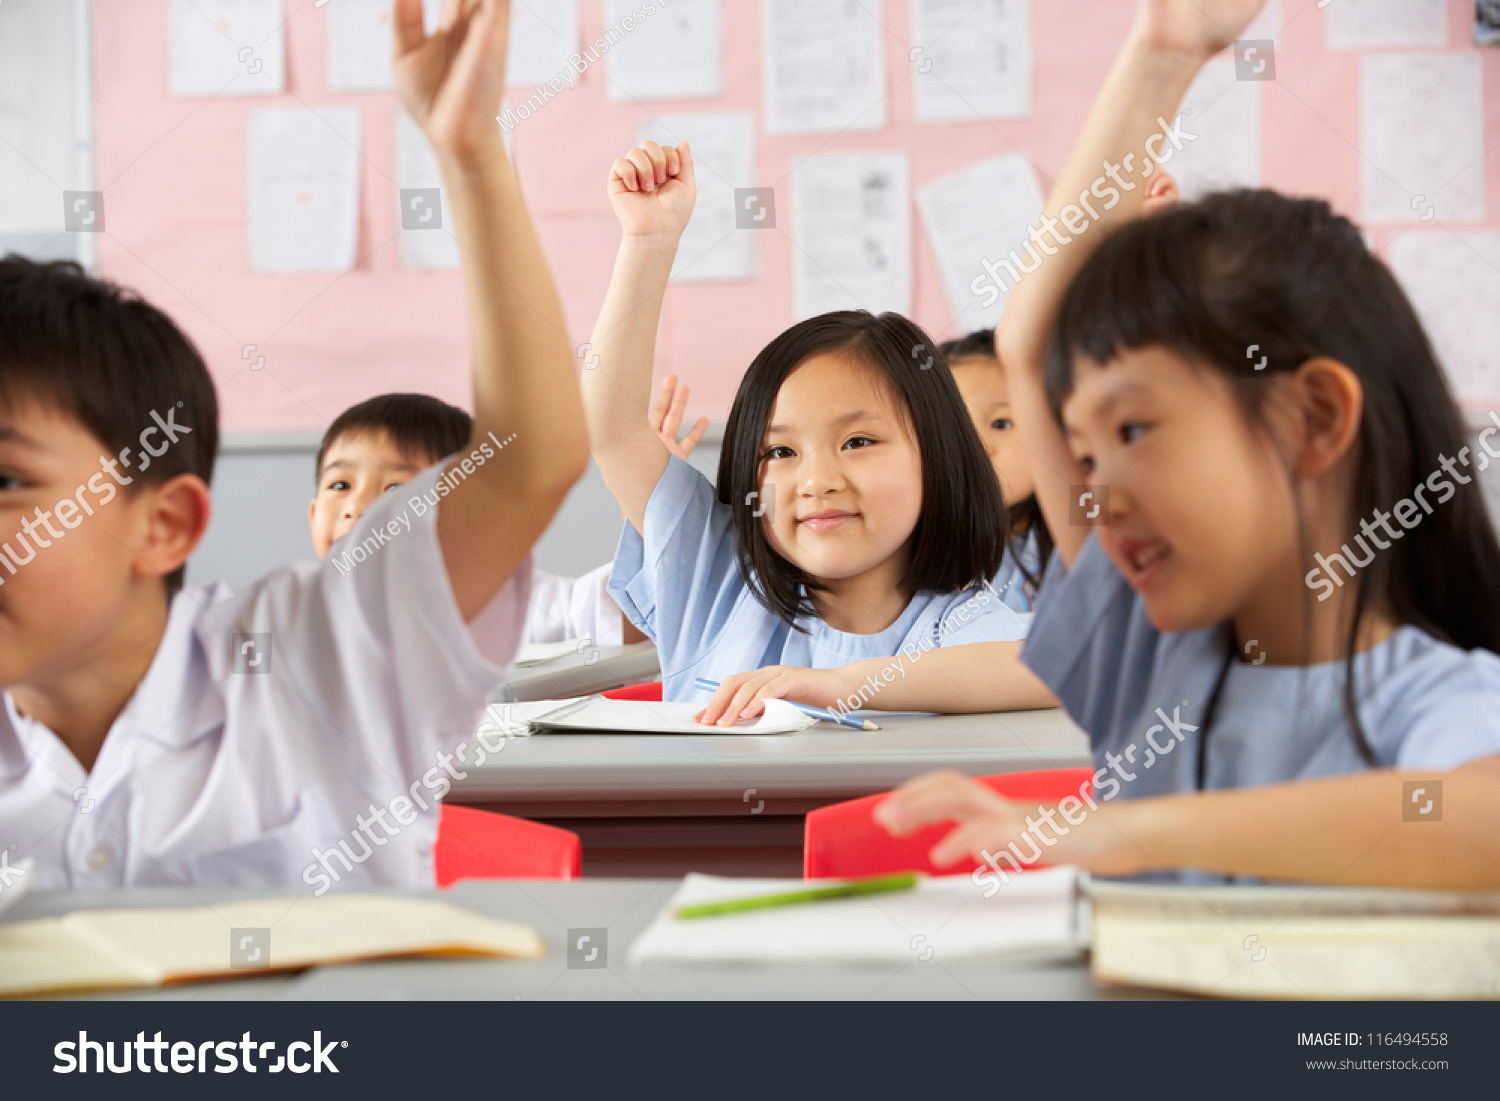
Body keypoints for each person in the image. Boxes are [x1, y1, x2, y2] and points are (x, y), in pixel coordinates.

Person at [877, 0, 1500, 888]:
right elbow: (1030, 344)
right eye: (1085, 455)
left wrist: (1135, 832)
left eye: (1135, 430)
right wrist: (1160, 54)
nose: (1098, 492)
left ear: (1314, 418)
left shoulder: (1440, 696)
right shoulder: (1153, 652)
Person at [0, 0, 588, 891]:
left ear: (162, 525)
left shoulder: (324, 649)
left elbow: (530, 457)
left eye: (7, 478)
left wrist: (469, 157)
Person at [584, 141, 1055, 723]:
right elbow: (613, 431)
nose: (816, 480)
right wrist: (648, 244)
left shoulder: (954, 622)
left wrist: (838, 685)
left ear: (937, 458)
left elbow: (1051, 667)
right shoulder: (715, 576)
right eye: (779, 451)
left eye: (857, 442)